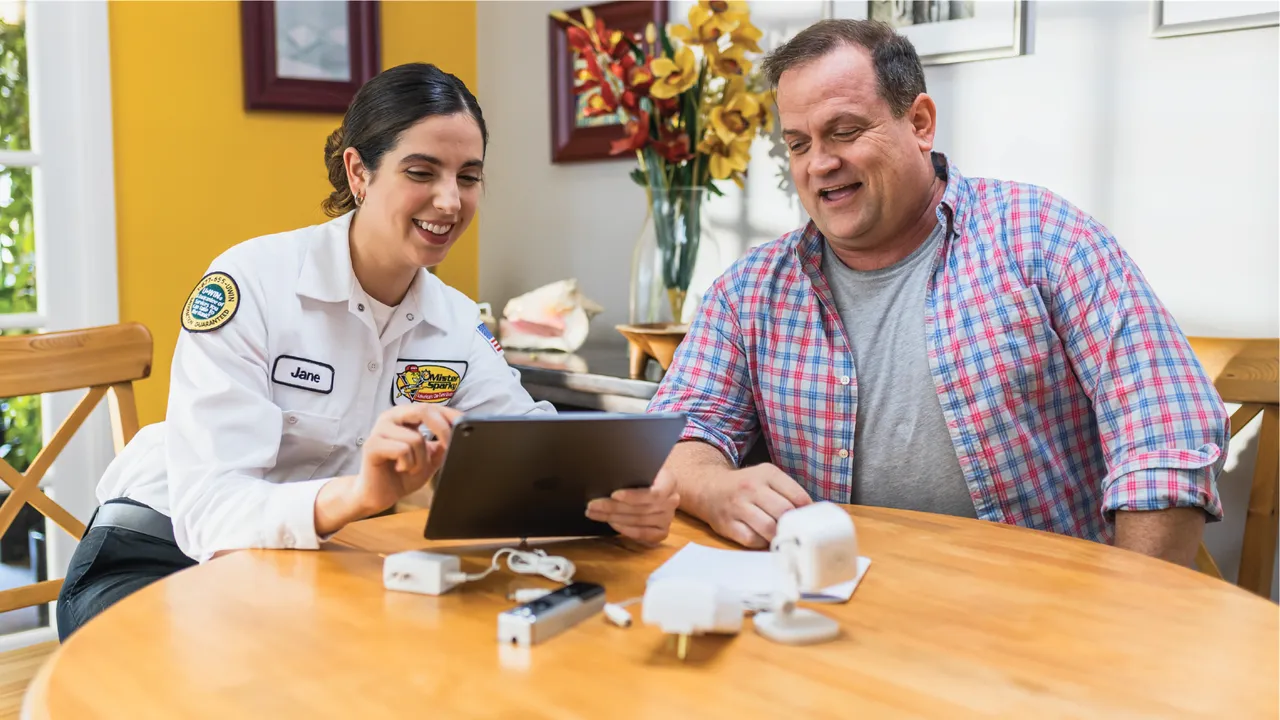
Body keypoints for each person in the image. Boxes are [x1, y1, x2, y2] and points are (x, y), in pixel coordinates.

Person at [56, 63, 679, 642]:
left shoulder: (455, 324)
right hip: (152, 556)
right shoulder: (251, 284)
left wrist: (625, 498)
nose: (450, 201)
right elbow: (210, 513)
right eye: (421, 172)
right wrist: (358, 495)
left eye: (468, 177)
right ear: (358, 172)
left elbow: (533, 448)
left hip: (297, 570)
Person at [647, 20, 1228, 565]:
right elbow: (675, 433)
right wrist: (712, 485)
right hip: (839, 607)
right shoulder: (748, 292)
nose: (819, 164)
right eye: (798, 144)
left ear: (921, 123)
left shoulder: (1043, 237)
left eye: (844, 132)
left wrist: (1131, 611)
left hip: (1046, 611)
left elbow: (1164, 434)